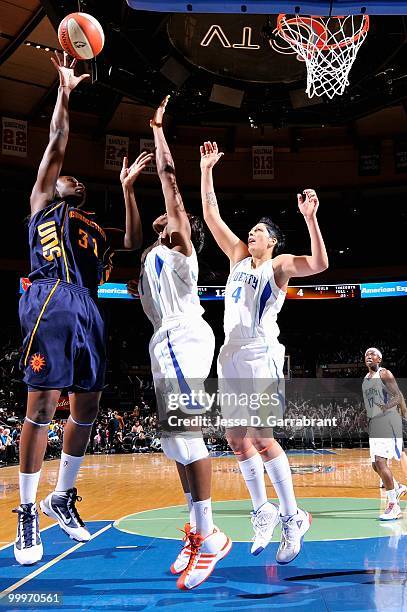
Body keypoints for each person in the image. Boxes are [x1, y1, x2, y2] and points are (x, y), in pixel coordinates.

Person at [13, 51, 153, 566]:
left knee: (87, 408)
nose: (69, 178)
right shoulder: (43, 206)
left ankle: (62, 496)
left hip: (89, 309)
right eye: (63, 177)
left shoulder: (93, 229)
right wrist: (65, 92)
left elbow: (135, 241)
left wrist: (127, 190)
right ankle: (28, 511)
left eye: (76, 180)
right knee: (43, 407)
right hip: (49, 297)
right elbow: (56, 143)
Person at [199, 140, 328, 563]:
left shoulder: (279, 265)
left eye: (258, 231)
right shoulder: (237, 257)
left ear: (271, 242)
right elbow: (211, 215)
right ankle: (263, 510)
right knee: (235, 439)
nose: (250, 233)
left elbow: (320, 265)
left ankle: (293, 516)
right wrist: (206, 170)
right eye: (250, 230)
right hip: (231, 353)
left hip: (261, 353)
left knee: (261, 436)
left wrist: (311, 219)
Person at [127, 98, 231, 590]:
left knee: (187, 435)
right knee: (173, 442)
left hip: (186, 336)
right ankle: (200, 533)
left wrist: (157, 128)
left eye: (170, 216)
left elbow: (169, 178)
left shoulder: (182, 251)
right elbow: (129, 243)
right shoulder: (150, 261)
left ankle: (210, 540)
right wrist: (127, 190)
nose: (164, 217)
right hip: (161, 341)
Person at [362, 347, 407, 520]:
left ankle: (393, 506)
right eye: (366, 355)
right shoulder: (366, 379)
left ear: (379, 360)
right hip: (376, 423)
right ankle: (397, 487)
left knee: (381, 462)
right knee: (375, 465)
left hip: (388, 421)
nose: (369, 356)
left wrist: (386, 408)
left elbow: (398, 396)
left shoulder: (385, 373)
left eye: (373, 354)